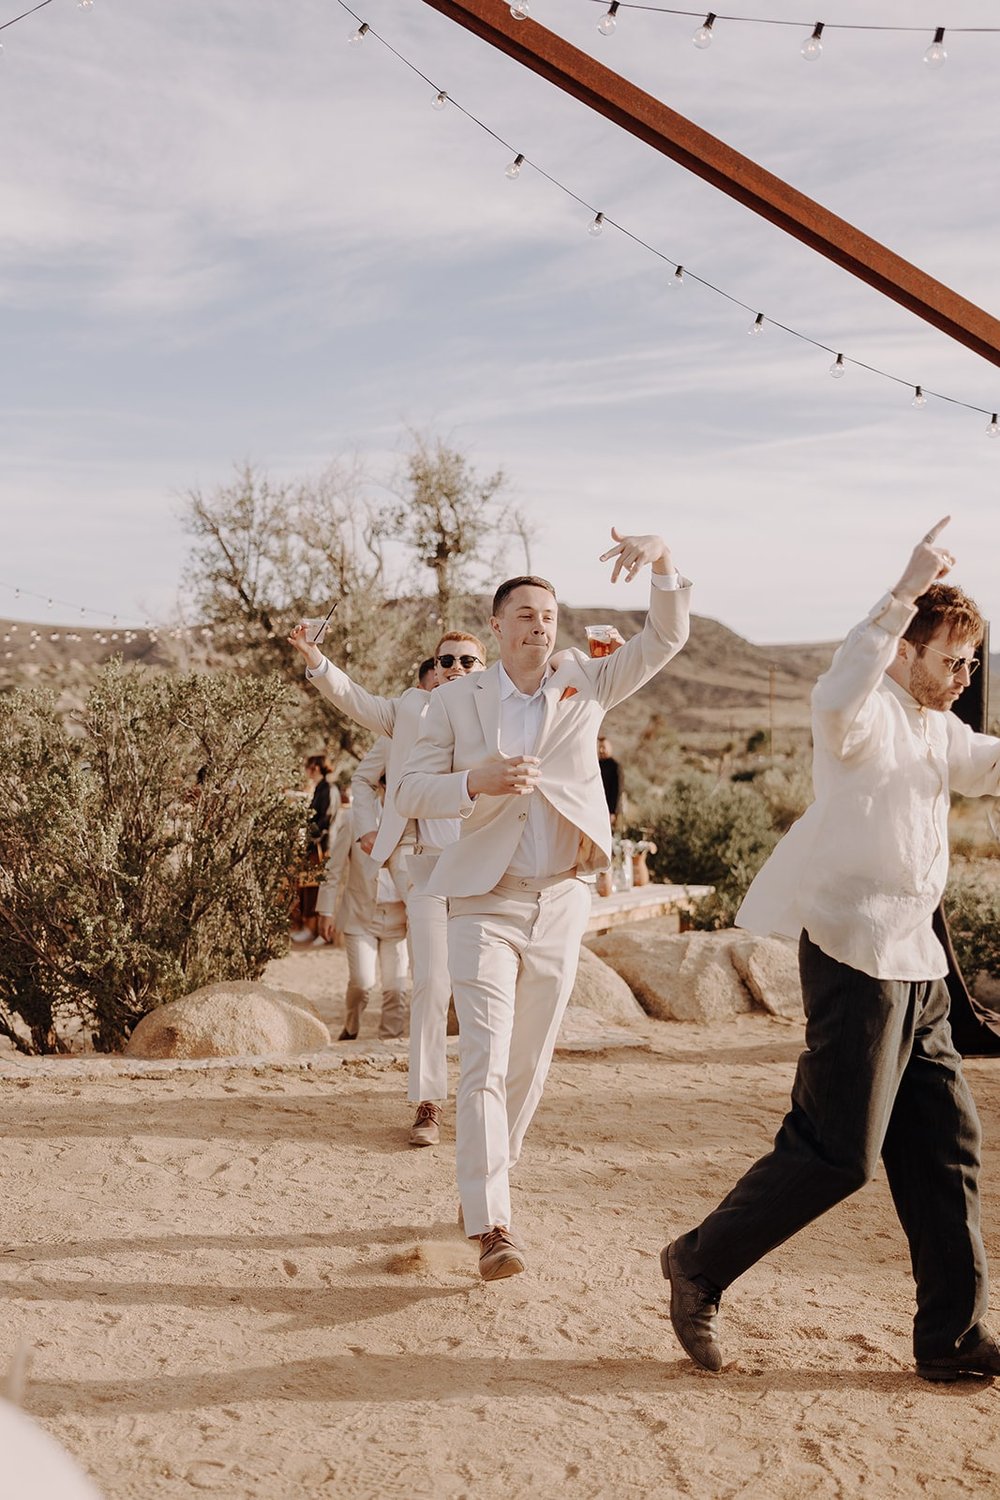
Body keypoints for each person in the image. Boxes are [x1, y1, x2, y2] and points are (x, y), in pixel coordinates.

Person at [663, 517, 1000, 1383]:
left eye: (973, 663)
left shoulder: (936, 728)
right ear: (904, 654)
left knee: (945, 1148)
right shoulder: (861, 718)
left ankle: (952, 1339)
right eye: (951, 660)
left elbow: (986, 764)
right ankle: (698, 1262)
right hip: (854, 956)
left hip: (919, 968)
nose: (964, 678)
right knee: (835, 1153)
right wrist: (900, 589)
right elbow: (837, 686)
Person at [396, 527, 691, 1281]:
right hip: (482, 899)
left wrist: (661, 560)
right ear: (496, 627)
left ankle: (493, 1169)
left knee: (530, 1059)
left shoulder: (584, 682)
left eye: (548, 616)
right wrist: (474, 782)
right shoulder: (455, 702)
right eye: (524, 614)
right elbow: (410, 789)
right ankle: (494, 1223)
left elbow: (667, 636)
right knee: (486, 1057)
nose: (539, 625)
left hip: (563, 898)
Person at [285, 626, 487, 1145]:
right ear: (434, 669)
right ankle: (428, 1104)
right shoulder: (408, 711)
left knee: (483, 987)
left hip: (486, 864)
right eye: (447, 661)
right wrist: (316, 658)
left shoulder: (502, 715)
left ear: (486, 669)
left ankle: (488, 1102)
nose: (456, 669)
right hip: (420, 864)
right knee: (429, 983)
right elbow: (354, 698)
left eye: (469, 661)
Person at [317, 738, 409, 1042]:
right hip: (360, 916)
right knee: (361, 982)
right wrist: (326, 910)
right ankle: (351, 1027)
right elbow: (334, 868)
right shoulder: (354, 818)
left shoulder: (418, 820)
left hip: (400, 918)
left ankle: (389, 1044)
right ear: (379, 784)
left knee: (396, 988)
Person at [292, 753, 335, 945]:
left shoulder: (327, 789)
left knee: (314, 886)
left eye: (308, 766)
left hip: (320, 845)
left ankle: (315, 929)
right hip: (316, 843)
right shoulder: (322, 788)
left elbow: (324, 818)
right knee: (310, 885)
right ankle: (311, 928)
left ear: (315, 767)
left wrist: (313, 836)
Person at [597, 735, 622, 826]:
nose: (601, 750)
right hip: (597, 806)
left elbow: (617, 790)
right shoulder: (596, 764)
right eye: (600, 747)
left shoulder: (614, 766)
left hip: (609, 808)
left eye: (603, 747)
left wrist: (612, 811)